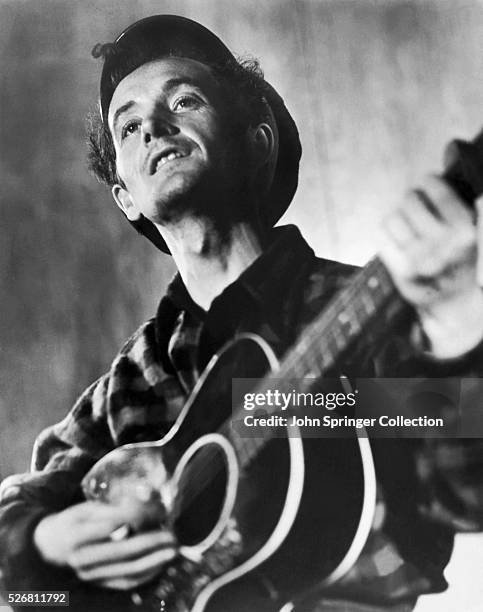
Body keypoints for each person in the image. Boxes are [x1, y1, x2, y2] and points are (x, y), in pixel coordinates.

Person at [1, 14, 483, 612]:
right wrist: (43, 544)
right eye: (127, 128)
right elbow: (23, 592)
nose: (153, 126)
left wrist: (461, 324)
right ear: (125, 195)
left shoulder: (366, 311)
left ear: (256, 138)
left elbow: (467, 497)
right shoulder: (129, 382)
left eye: (184, 99)